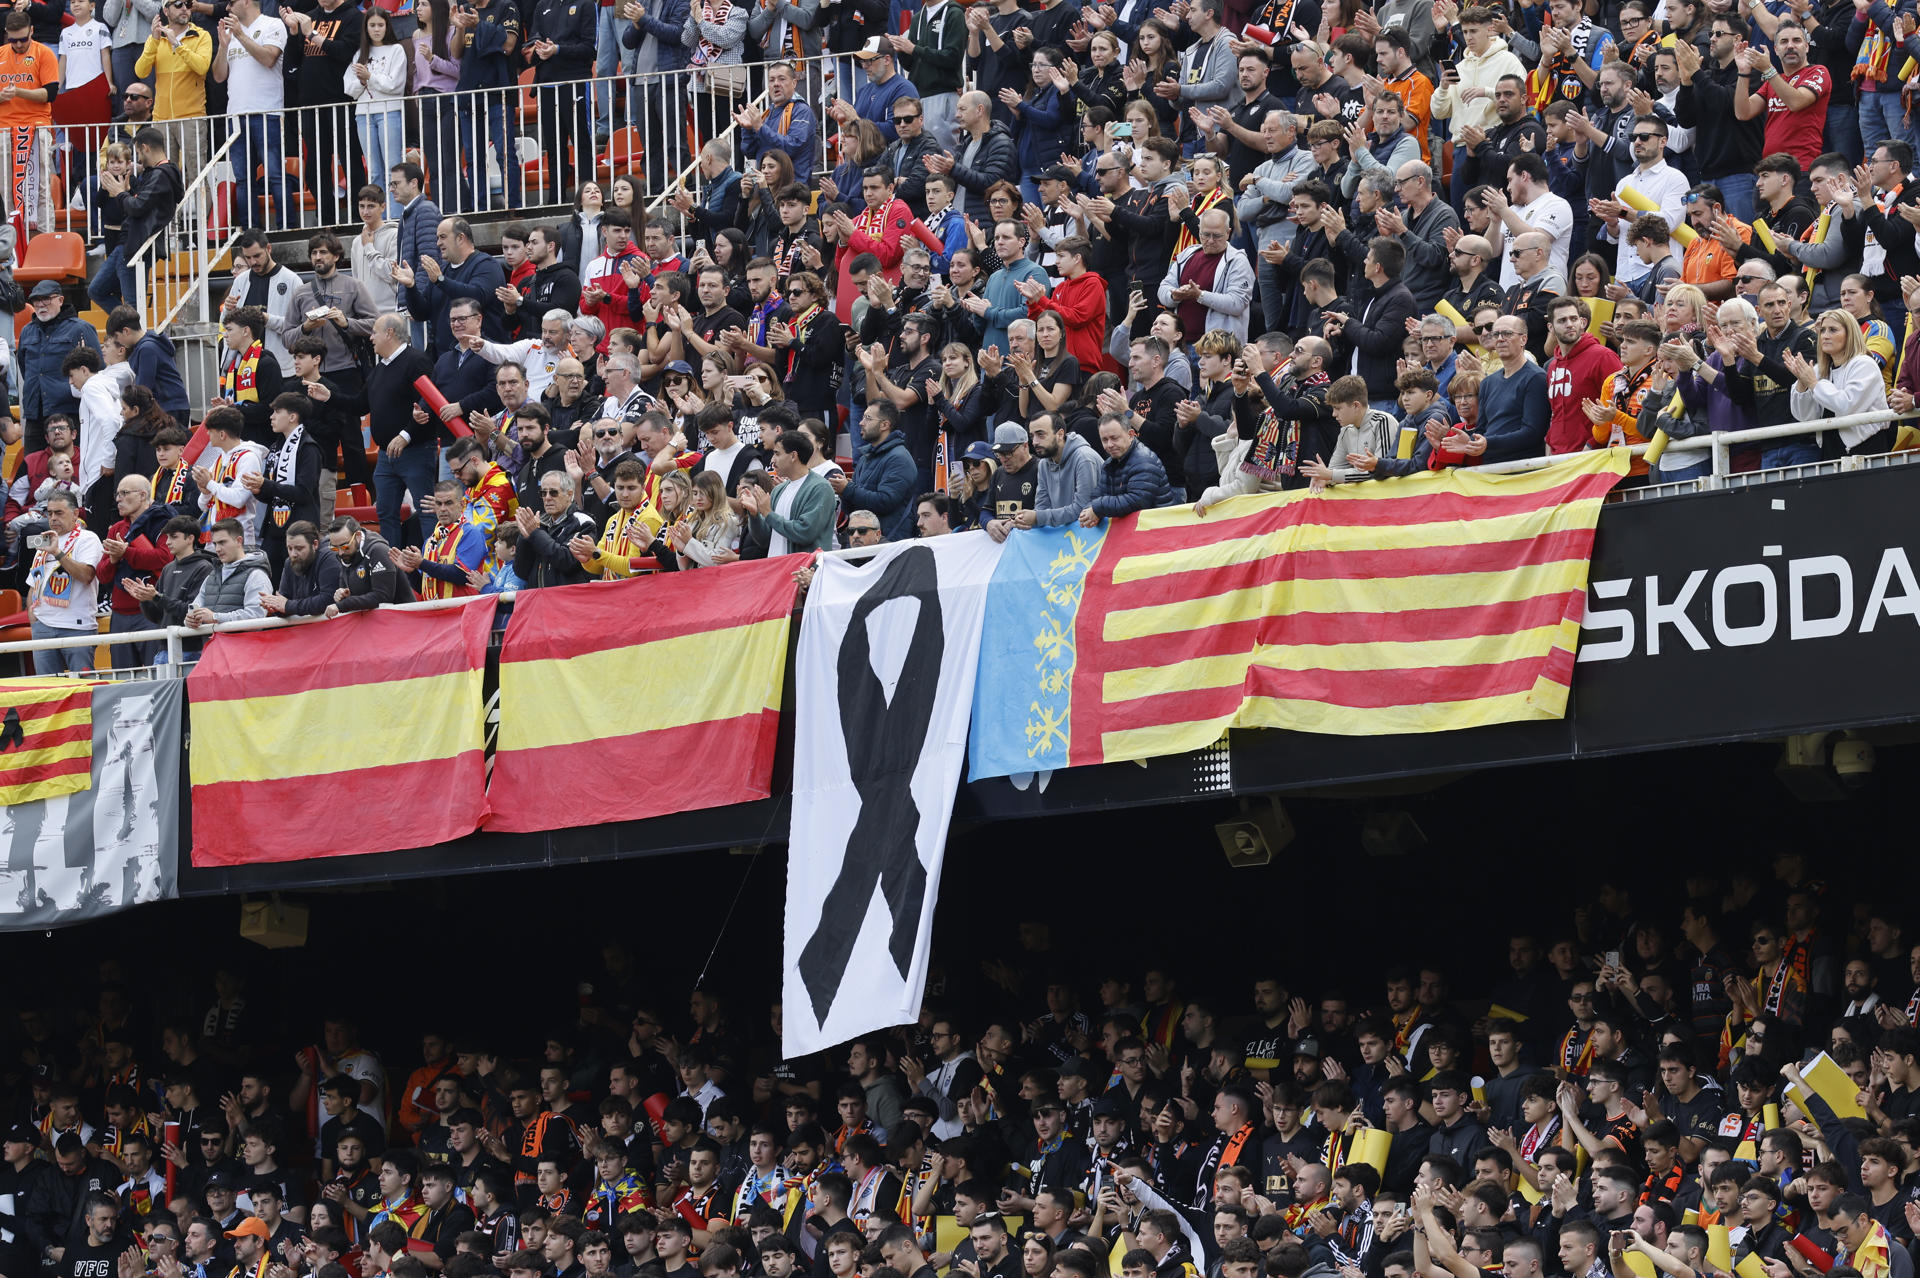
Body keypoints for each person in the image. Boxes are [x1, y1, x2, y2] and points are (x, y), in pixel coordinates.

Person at [1788, 309, 1895, 456]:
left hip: (1865, 449)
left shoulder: (1864, 364)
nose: (1825, 336)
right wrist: (1802, 381)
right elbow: (1804, 416)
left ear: (1849, 334)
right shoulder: (1820, 369)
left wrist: (1813, 383)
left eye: (1833, 330)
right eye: (1823, 331)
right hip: (1830, 448)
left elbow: (1846, 406)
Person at [24, 491, 103, 674]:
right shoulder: (45, 540)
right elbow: (34, 582)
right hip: (42, 626)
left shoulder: (88, 538)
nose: (53, 518)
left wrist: (58, 553)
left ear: (75, 514)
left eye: (59, 513)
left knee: (82, 688)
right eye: (49, 513)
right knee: (48, 692)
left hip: (77, 626)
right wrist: (33, 614)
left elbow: (86, 575)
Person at [739, 430, 835, 556]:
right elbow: (764, 540)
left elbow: (805, 532)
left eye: (777, 454)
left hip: (803, 572)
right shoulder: (779, 490)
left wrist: (768, 513)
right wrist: (754, 515)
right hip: (777, 570)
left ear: (793, 456)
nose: (772, 460)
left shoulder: (820, 488)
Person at [837, 400, 916, 540]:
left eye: (868, 418)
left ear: (885, 425)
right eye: (862, 417)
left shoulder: (899, 458)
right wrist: (844, 492)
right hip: (864, 543)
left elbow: (885, 501)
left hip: (889, 544)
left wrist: (848, 489)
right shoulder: (865, 457)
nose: (861, 423)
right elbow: (853, 510)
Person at [182, 518, 272, 629]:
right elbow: (195, 610)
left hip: (244, 644)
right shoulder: (211, 576)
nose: (217, 549)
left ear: (239, 541)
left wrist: (215, 617)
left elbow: (256, 616)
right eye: (215, 544)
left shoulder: (257, 575)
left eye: (222, 542)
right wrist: (190, 620)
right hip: (212, 645)